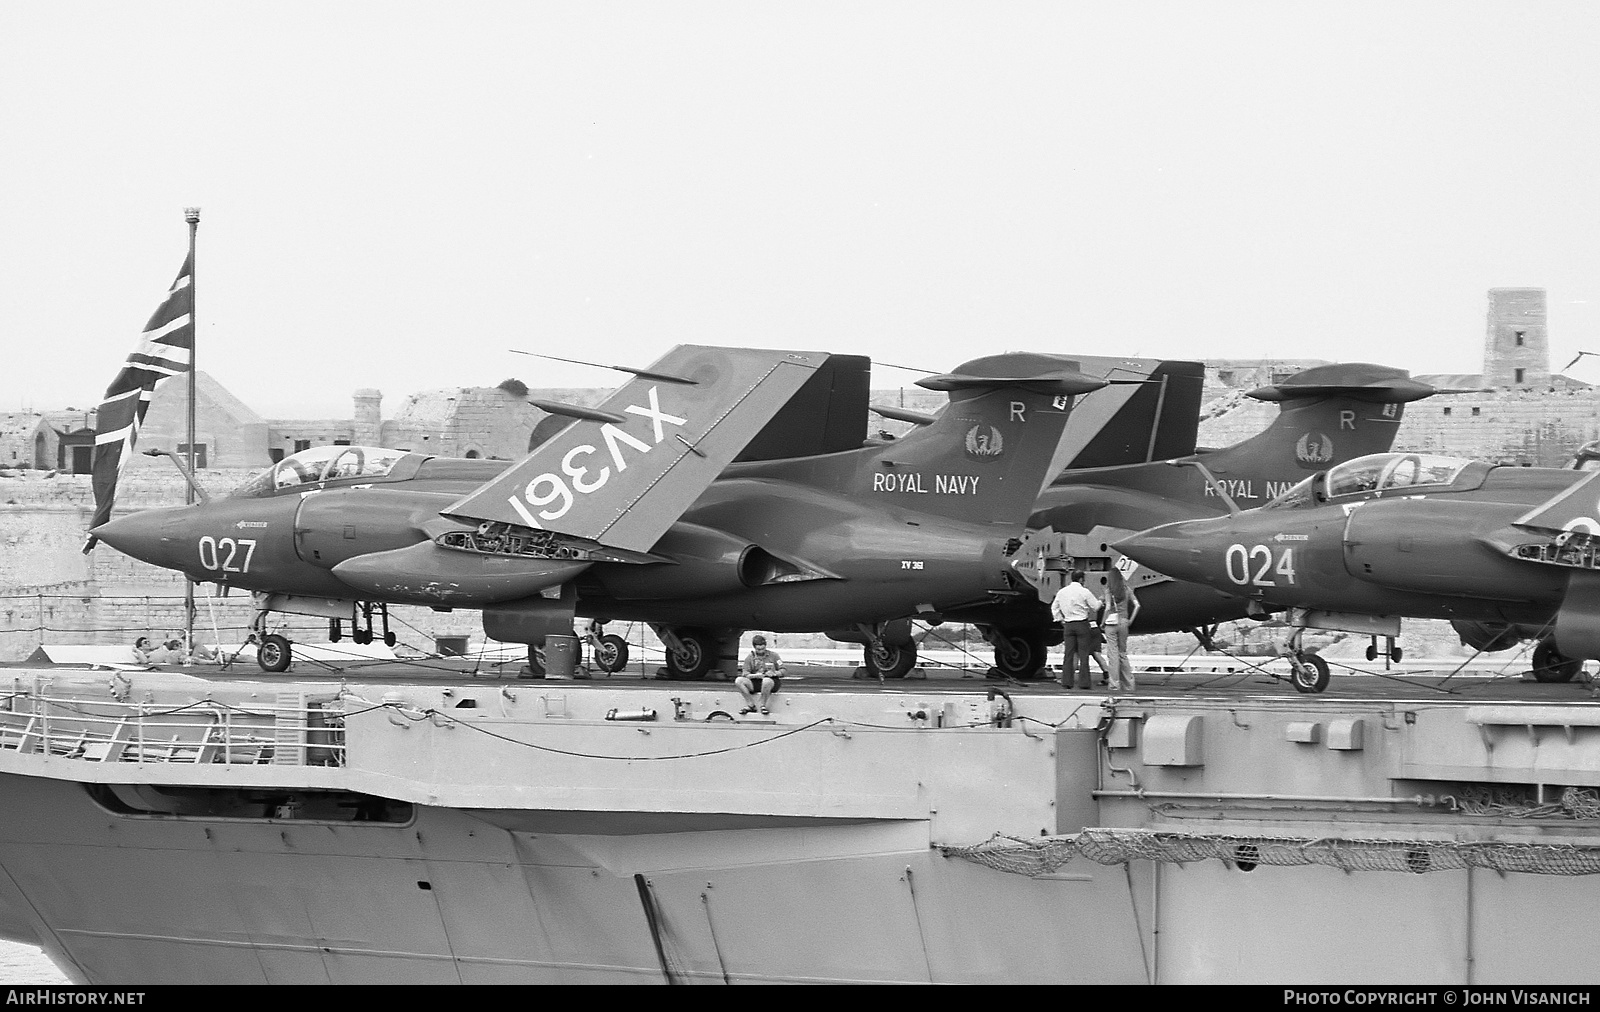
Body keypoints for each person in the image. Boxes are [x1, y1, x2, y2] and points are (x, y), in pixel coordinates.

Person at [1050, 570, 1103, 689]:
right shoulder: (1085, 592)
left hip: (1068, 625)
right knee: (1083, 654)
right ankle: (1084, 683)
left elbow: (1054, 607)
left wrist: (1060, 619)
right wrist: (1101, 600)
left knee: (1068, 654)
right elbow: (1095, 607)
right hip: (1082, 624)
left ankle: (1067, 682)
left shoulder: (1062, 592)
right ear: (1081, 579)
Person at [1102, 569, 1140, 691]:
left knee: (1113, 655)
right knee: (1123, 653)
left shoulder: (1109, 590)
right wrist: (1130, 620)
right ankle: (1129, 685)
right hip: (1124, 622)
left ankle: (1114, 685)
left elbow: (1107, 607)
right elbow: (1137, 605)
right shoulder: (1127, 589)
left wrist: (1102, 622)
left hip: (1111, 624)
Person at [736, 634, 785, 715]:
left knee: (766, 681)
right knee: (739, 681)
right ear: (755, 648)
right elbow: (745, 673)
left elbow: (783, 670)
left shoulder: (774, 656)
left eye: (763, 649)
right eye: (758, 650)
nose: (761, 651)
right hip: (756, 681)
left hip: (771, 681)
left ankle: (763, 705)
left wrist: (775, 673)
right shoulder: (750, 658)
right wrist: (755, 675)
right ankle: (750, 704)